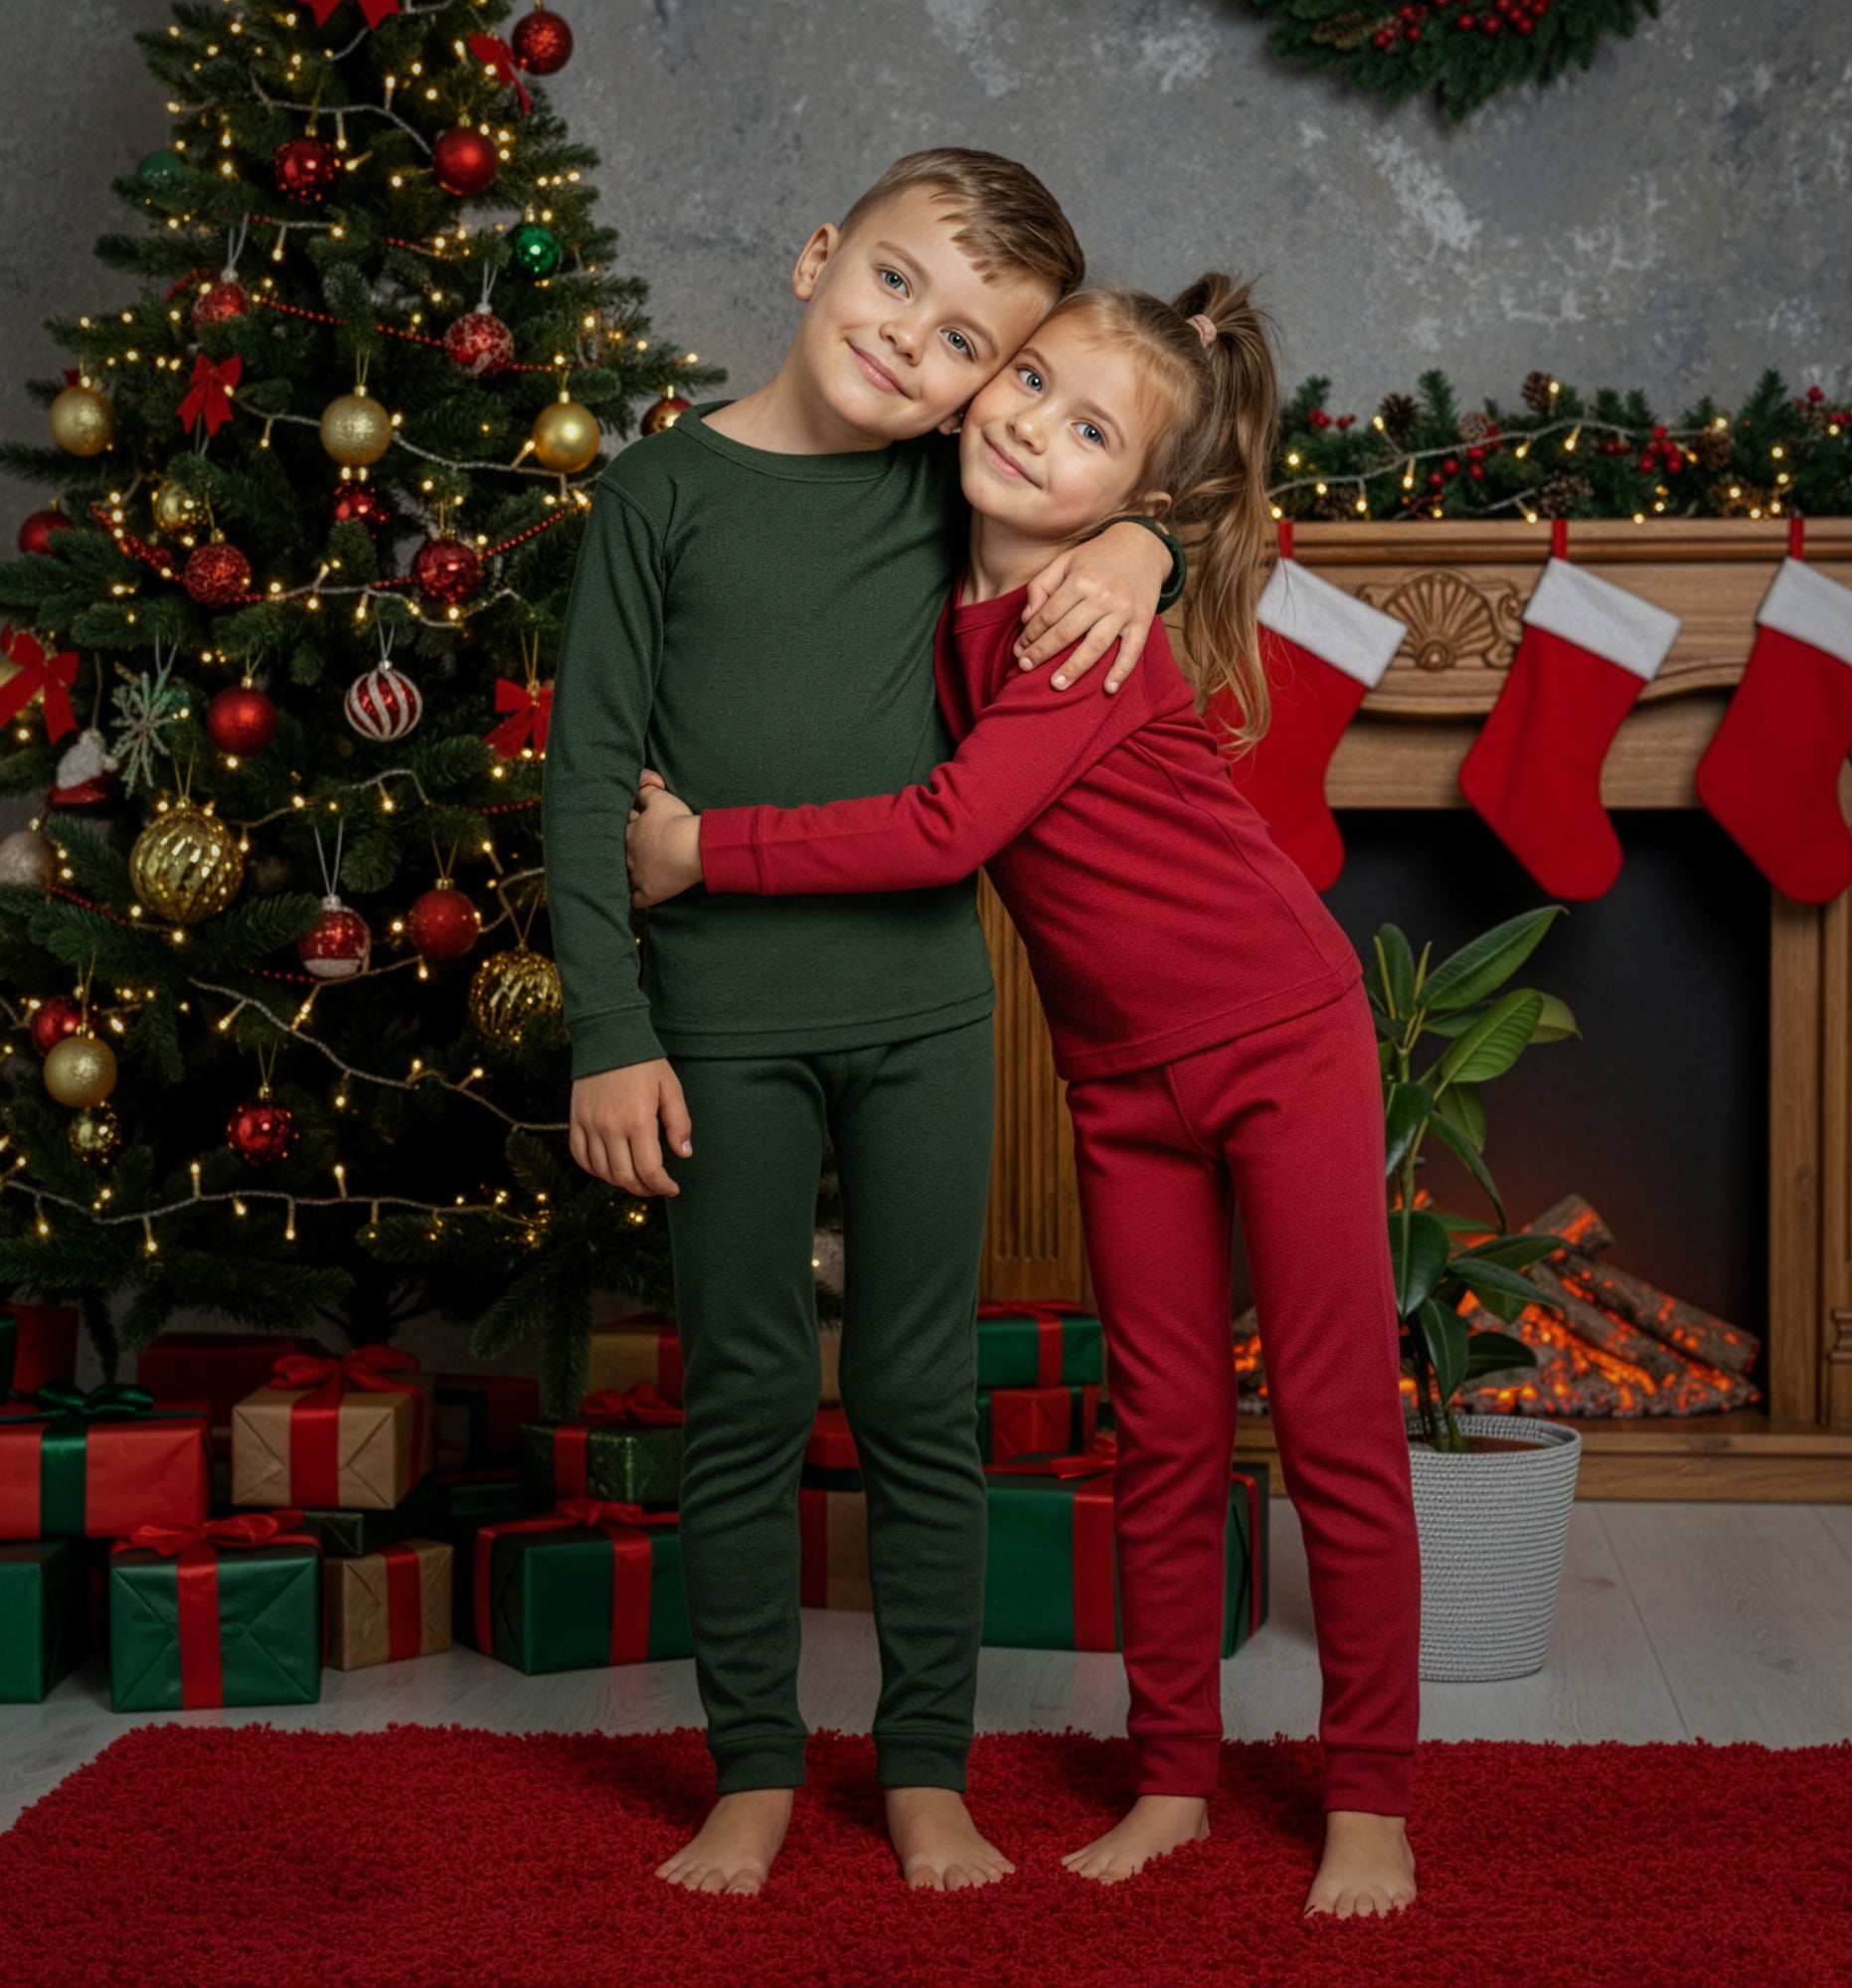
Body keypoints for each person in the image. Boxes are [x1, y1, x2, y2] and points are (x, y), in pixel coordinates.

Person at [623, 275, 1422, 1921]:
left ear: (1138, 491)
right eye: (1031, 377)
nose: (1022, 421)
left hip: (1285, 1035)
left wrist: (707, 847)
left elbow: (939, 833)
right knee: (1168, 1430)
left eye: (1085, 431)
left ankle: (1372, 1803)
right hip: (1121, 1078)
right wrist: (1158, 536)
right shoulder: (954, 561)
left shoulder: (1082, 622)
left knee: (1336, 1426)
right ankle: (1177, 1777)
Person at [540, 148, 1182, 1899]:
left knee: (921, 1398)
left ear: (996, 387)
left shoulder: (945, 496)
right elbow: (589, 770)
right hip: (715, 1032)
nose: (915, 346)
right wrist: (609, 1028)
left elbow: (1122, 476)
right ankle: (751, 1766)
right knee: (743, 1394)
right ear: (823, 255)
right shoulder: (659, 494)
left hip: (921, 1017)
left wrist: (1142, 547)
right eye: (898, 285)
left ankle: (923, 1772)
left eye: (973, 340)